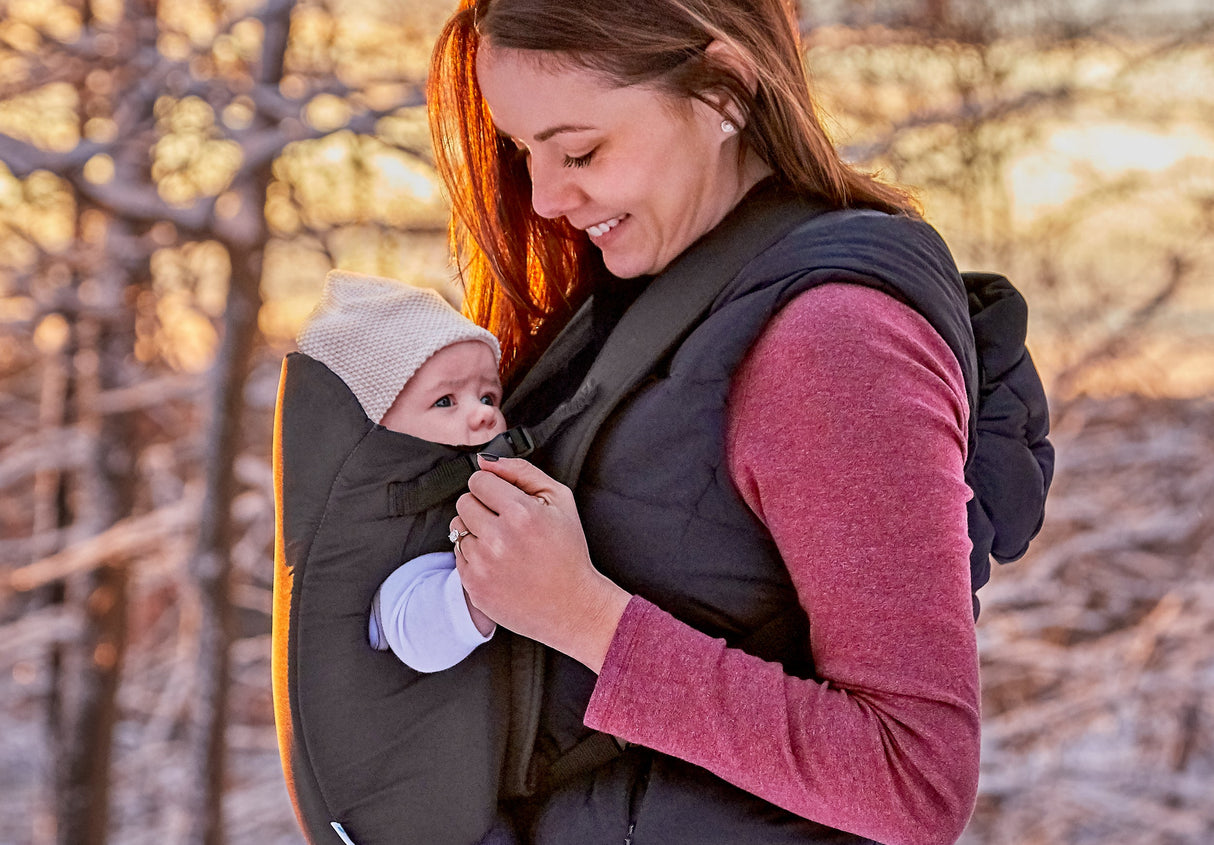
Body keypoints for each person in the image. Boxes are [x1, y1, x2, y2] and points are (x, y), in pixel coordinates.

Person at [426, 1, 990, 844]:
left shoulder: (834, 343)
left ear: (722, 88)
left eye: (580, 151)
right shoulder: (652, 297)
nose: (544, 197)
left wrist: (586, 617)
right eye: (522, 151)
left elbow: (915, 775)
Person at [296, 269, 507, 672]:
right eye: (446, 401)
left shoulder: (453, 489)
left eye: (488, 395)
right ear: (380, 425)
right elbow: (417, 634)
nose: (483, 413)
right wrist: (490, 591)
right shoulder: (389, 524)